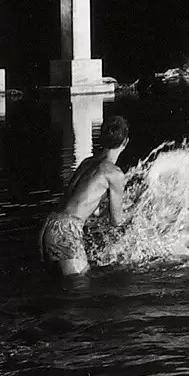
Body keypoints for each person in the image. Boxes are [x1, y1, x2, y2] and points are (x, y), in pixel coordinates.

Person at [39, 114, 130, 274]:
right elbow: (116, 221)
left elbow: (77, 199)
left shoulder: (87, 162)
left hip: (49, 224)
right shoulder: (114, 174)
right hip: (66, 231)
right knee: (80, 288)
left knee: (57, 285)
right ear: (125, 142)